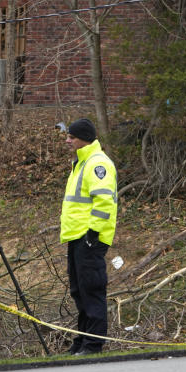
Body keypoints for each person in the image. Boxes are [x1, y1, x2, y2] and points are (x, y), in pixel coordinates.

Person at [60, 118, 117, 356]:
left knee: (91, 291)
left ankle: (93, 345)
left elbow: (104, 201)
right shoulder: (81, 163)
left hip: (89, 238)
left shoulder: (97, 164)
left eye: (71, 137)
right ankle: (83, 340)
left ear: (83, 138)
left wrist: (93, 233)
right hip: (77, 237)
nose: (67, 140)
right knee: (79, 291)